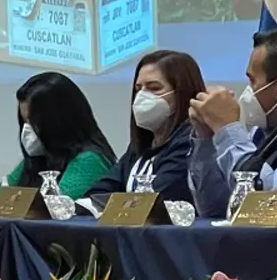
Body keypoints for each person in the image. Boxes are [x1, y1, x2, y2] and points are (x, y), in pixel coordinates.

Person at [189, 24, 277, 218]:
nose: (248, 90)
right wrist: (206, 139)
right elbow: (215, 209)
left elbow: (272, 205)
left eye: (252, 81)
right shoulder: (262, 131)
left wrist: (227, 128)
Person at [84, 50, 206, 203]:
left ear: (182, 93)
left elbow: (153, 199)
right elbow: (99, 192)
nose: (142, 96)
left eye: (154, 88)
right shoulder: (141, 147)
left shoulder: (190, 141)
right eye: (138, 89)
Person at [0, 72, 114, 206]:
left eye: (34, 123)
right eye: (24, 122)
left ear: (59, 122)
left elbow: (56, 206)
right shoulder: (38, 158)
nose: (27, 130)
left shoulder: (89, 160)